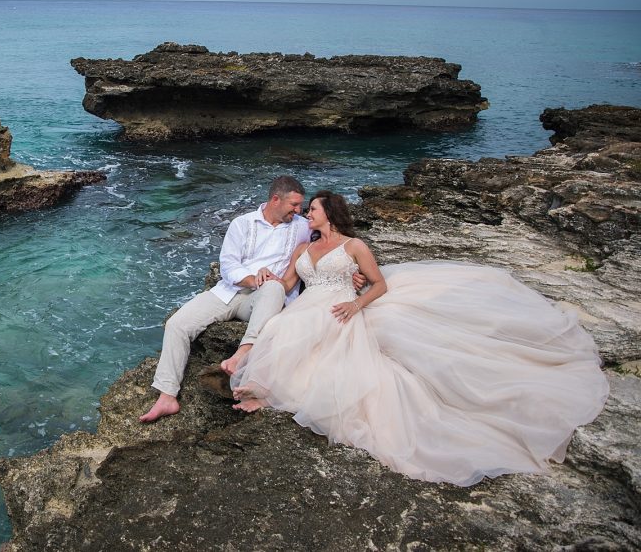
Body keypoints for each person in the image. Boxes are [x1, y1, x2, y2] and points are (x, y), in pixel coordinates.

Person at [230, 190, 609, 486]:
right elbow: (288, 284)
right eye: (307, 209)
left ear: (330, 213)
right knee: (284, 326)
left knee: (311, 335)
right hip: (308, 303)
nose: (307, 214)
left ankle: (265, 392)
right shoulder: (304, 247)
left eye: (312, 208)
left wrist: (356, 305)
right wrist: (260, 278)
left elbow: (378, 284)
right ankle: (264, 389)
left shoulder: (354, 246)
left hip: (339, 305)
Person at [138, 176, 310, 423]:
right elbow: (228, 266)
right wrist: (253, 278)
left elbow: (332, 242)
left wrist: (354, 273)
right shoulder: (242, 223)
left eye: (300, 206)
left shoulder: (302, 227)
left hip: (265, 300)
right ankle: (167, 396)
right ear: (275, 199)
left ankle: (243, 352)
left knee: (273, 288)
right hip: (230, 292)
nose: (298, 210)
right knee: (177, 324)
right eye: (294, 204)